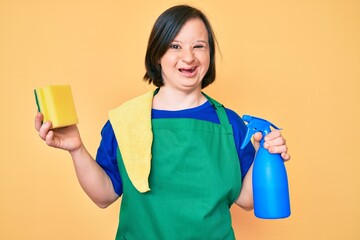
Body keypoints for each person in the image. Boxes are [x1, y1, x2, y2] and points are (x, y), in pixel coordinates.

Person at [35, 4, 291, 240]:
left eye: (199, 46)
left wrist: (264, 153)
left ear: (210, 55)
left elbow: (247, 200)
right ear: (157, 54)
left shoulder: (231, 125)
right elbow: (104, 196)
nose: (188, 57)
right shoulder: (126, 121)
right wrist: (76, 149)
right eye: (175, 46)